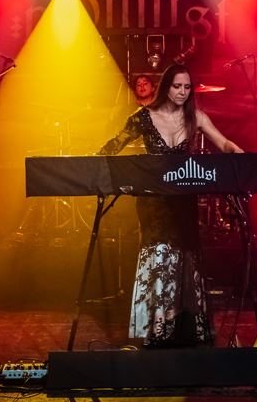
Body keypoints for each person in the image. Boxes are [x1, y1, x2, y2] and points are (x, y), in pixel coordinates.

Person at [98, 63, 244, 348]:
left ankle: (183, 327)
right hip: (154, 202)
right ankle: (158, 328)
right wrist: (88, 166)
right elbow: (112, 146)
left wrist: (239, 154)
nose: (182, 92)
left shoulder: (196, 117)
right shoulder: (143, 117)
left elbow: (223, 143)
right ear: (166, 87)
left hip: (183, 200)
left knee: (186, 257)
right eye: (177, 86)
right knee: (160, 257)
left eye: (187, 87)